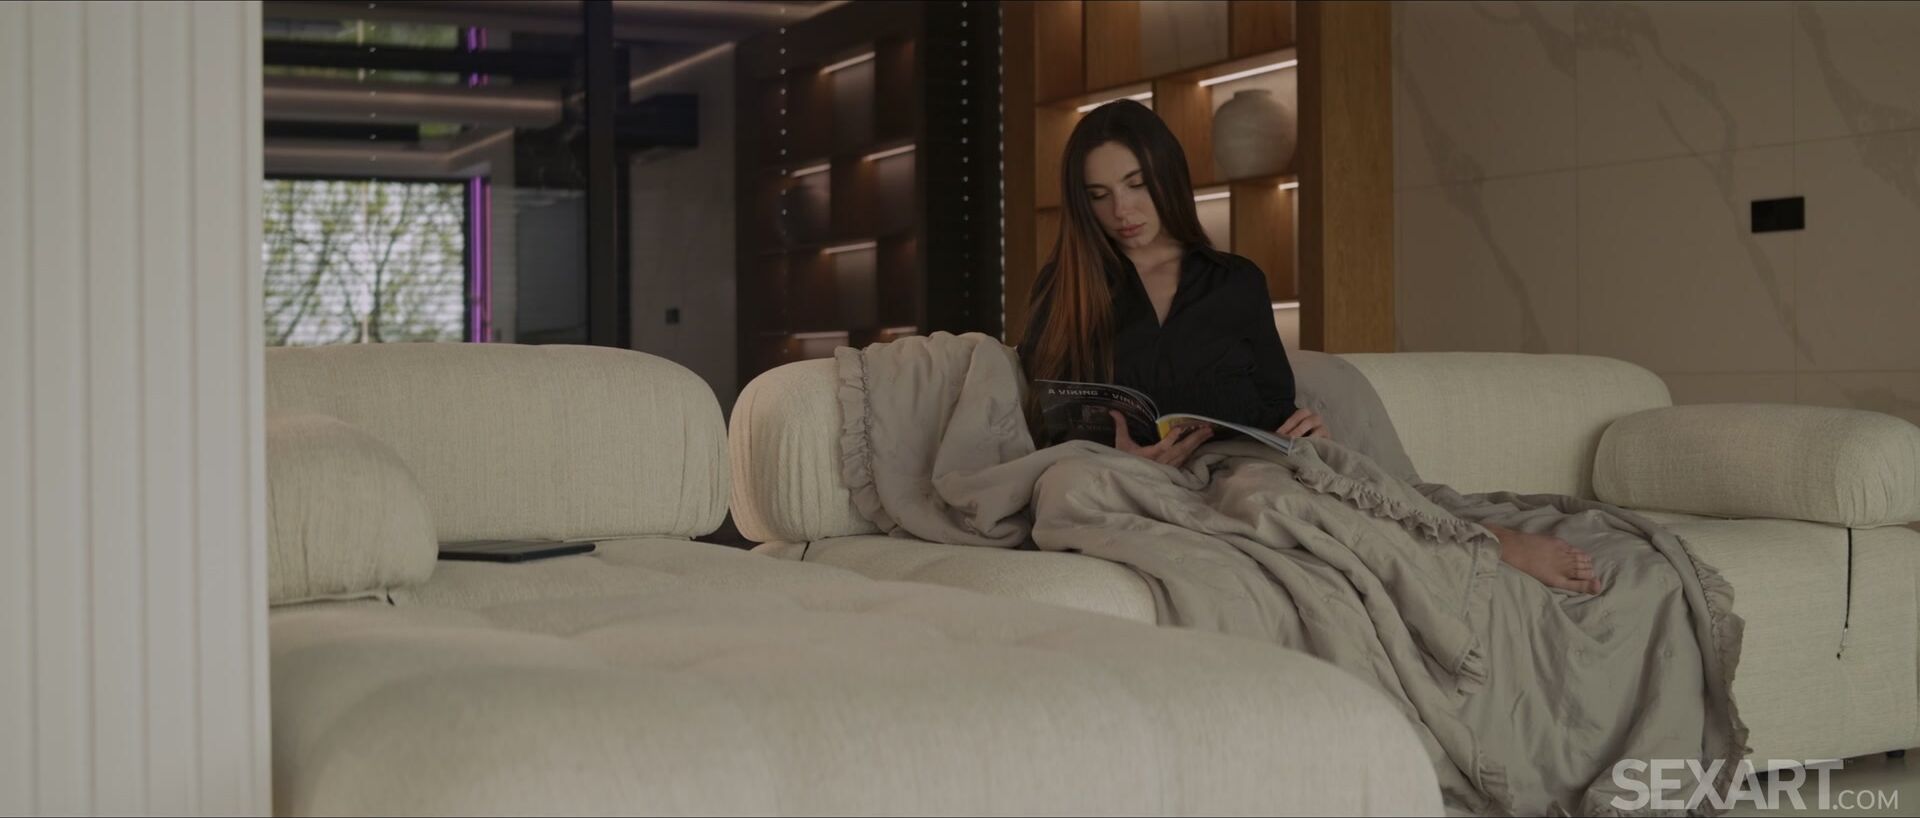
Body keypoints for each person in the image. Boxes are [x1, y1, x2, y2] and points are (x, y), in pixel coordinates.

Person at [1016, 100, 1601, 594]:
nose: (1121, 211)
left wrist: (1304, 428)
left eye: (1136, 185)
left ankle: (1482, 542)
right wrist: (1118, 455)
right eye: (1099, 195)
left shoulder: (1235, 281)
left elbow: (1273, 401)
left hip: (1238, 470)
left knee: (1272, 496)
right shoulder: (1066, 290)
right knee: (1067, 488)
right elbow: (1047, 413)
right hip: (1129, 480)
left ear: (1166, 176)